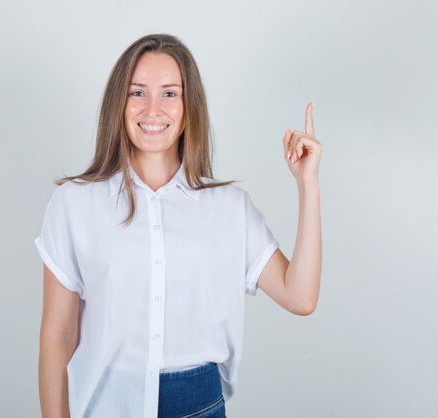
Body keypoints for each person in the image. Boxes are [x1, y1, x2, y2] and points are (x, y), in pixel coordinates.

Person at [35, 33, 322, 418]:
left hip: (197, 404)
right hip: (106, 402)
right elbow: (58, 336)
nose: (153, 109)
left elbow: (299, 296)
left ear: (190, 108)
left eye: (170, 94)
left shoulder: (230, 208)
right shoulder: (73, 204)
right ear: (118, 103)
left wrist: (307, 185)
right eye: (138, 92)